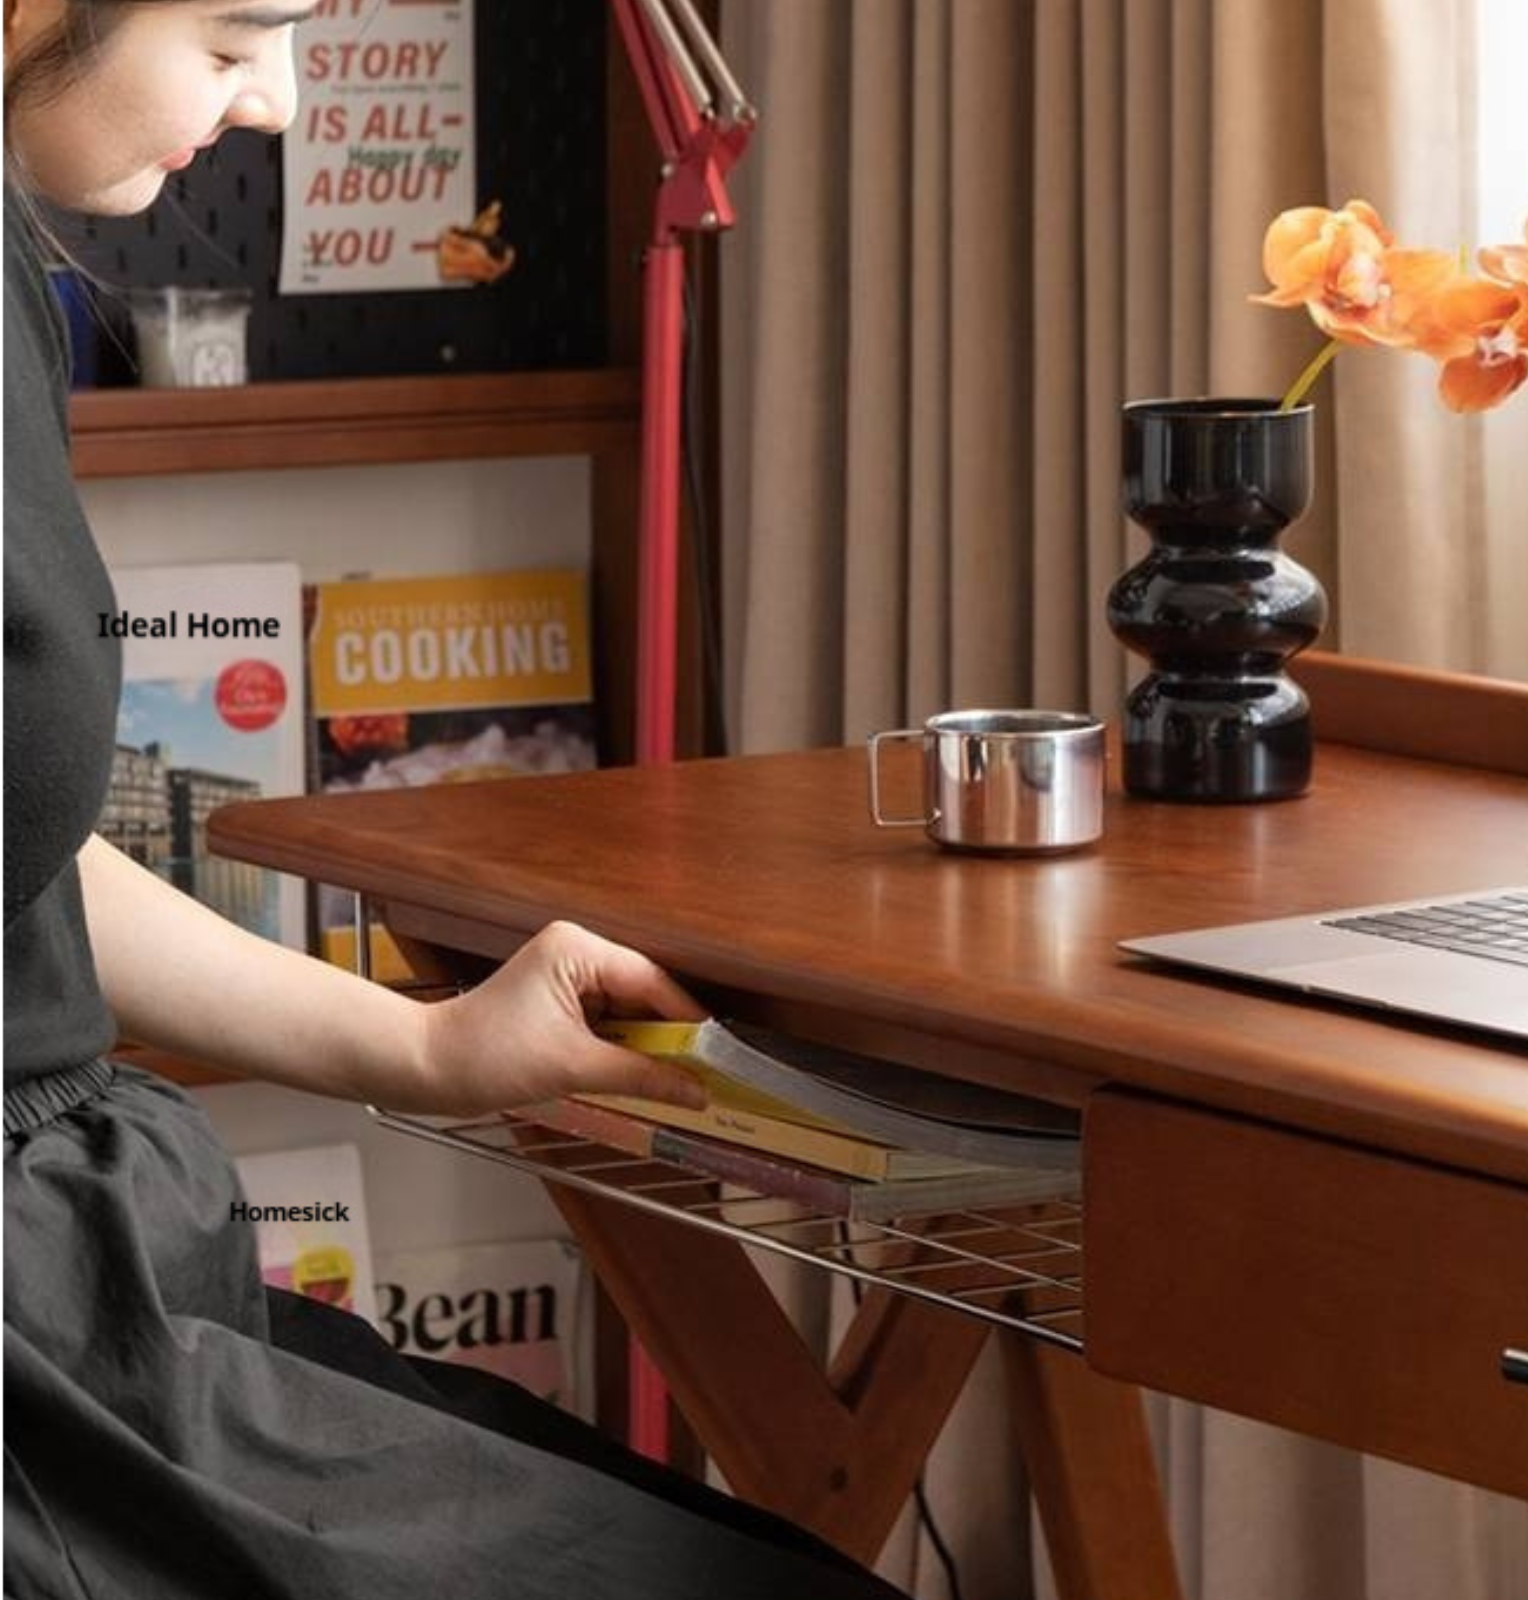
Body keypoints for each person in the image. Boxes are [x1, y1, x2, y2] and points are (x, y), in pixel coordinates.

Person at [3, 5, 912, 1596]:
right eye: (233, 38)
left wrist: (430, 1044)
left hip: (108, 1269)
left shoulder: (19, 272)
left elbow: (28, 863)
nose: (277, 102)